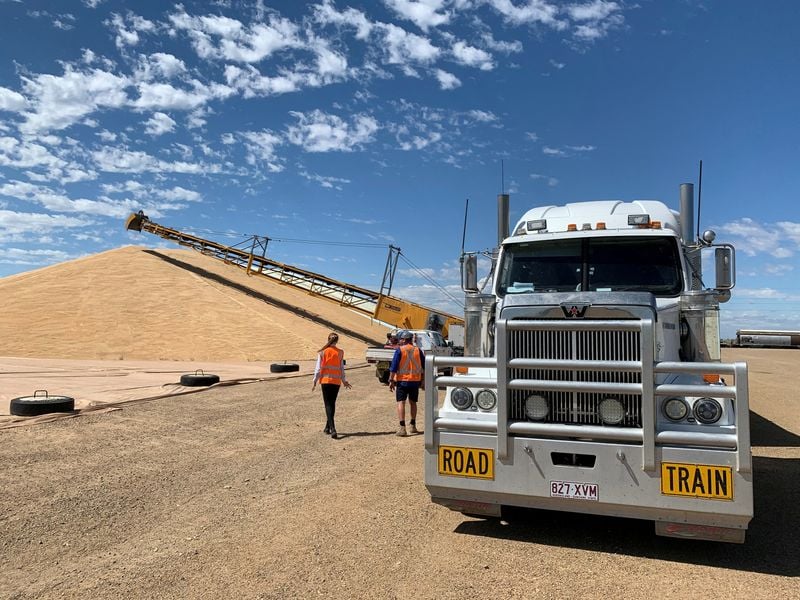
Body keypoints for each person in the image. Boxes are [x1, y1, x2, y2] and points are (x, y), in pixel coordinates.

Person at [312, 332, 352, 439]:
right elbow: (341, 368)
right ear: (337, 341)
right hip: (336, 381)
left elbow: (318, 369)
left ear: (328, 339)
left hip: (325, 381)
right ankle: (327, 427)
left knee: (328, 405)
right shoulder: (340, 352)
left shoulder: (322, 352)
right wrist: (344, 380)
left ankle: (333, 428)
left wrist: (314, 381)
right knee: (332, 404)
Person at [388, 330, 424, 437]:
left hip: (402, 382)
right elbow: (425, 366)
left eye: (401, 339)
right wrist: (423, 381)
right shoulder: (418, 350)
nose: (400, 341)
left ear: (404, 339)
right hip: (415, 382)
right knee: (413, 403)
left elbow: (393, 368)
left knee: (401, 403)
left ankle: (402, 428)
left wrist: (391, 380)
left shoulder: (400, 350)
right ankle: (413, 426)